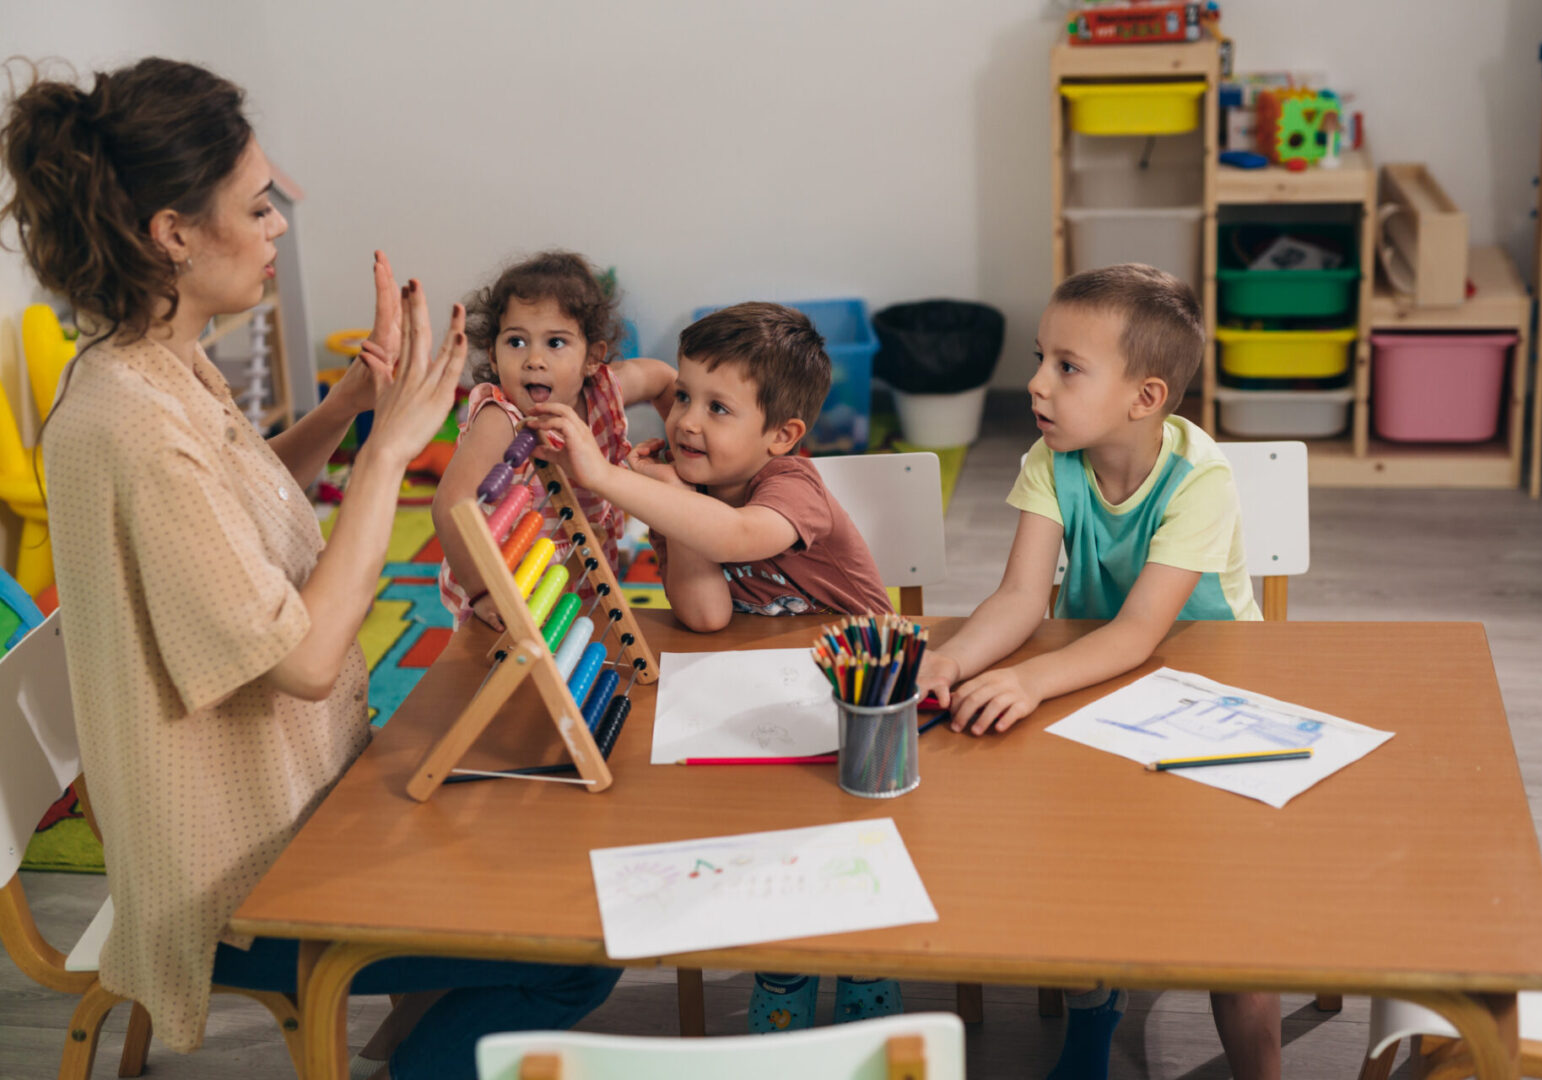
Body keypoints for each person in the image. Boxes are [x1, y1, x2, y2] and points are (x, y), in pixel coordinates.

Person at [1, 57, 619, 1080]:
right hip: (235, 884)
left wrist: (344, 411)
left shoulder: (145, 368)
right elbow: (310, 659)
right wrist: (387, 454)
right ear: (173, 235)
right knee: (570, 947)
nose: (281, 220)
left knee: (534, 823)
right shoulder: (131, 426)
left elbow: (234, 509)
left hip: (299, 801)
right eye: (257, 202)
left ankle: (418, 1038)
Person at [912, 264, 1277, 1080]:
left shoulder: (1201, 478)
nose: (1036, 384)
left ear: (1145, 398)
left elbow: (1144, 629)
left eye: (1066, 367)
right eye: (1042, 357)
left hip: (1212, 695)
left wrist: (1030, 681)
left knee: (1234, 929)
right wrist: (952, 659)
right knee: (1067, 867)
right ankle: (1090, 1015)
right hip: (1098, 687)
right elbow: (1017, 600)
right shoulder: (1055, 459)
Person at [530, 301, 899, 1030]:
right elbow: (705, 616)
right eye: (688, 400)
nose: (688, 422)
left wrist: (607, 477)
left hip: (862, 695)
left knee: (845, 832)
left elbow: (735, 535)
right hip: (761, 688)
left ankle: (866, 961)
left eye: (718, 408)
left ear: (782, 436)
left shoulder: (794, 485)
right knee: (753, 825)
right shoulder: (687, 482)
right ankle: (784, 964)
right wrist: (671, 496)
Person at [421, 251, 675, 629]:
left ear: (592, 358)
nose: (534, 359)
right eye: (517, 342)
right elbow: (450, 506)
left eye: (555, 343)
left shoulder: (604, 388)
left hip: (584, 569)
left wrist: (683, 456)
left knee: (585, 649)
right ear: (493, 353)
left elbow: (663, 378)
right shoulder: (501, 419)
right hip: (512, 590)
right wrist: (483, 592)